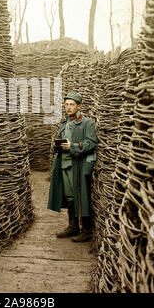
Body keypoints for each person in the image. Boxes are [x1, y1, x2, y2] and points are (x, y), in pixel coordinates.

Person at [48, 91, 98, 242]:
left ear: (78, 106)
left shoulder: (86, 123)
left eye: (72, 105)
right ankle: (73, 226)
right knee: (69, 196)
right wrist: (57, 145)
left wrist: (74, 146)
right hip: (64, 164)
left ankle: (87, 230)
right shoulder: (65, 123)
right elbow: (60, 140)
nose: (68, 108)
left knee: (81, 196)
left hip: (77, 164)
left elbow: (91, 142)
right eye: (66, 105)